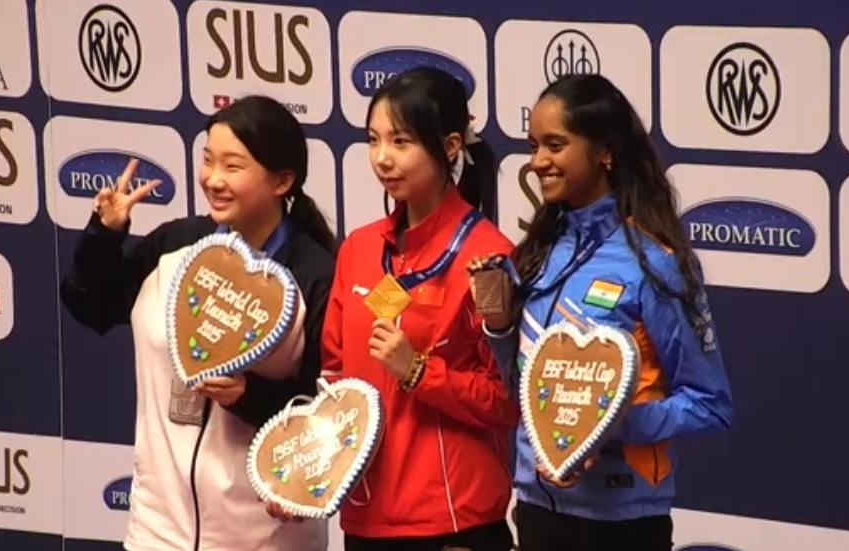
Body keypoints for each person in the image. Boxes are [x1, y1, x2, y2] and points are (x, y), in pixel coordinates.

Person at [59, 95, 337, 551]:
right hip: (156, 533)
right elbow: (91, 306)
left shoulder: (317, 275)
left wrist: (250, 396)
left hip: (264, 539)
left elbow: (328, 415)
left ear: (282, 181)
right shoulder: (175, 244)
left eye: (233, 166)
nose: (213, 179)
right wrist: (103, 235)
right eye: (208, 160)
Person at [470, 74, 733, 551]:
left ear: (605, 152)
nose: (538, 161)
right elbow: (524, 393)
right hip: (536, 505)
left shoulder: (654, 262)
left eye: (555, 145)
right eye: (533, 145)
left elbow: (709, 402)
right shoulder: (536, 253)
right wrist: (500, 325)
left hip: (621, 519)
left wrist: (603, 427)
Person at [269, 66, 518, 550]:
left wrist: (419, 371)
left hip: (452, 521)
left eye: (401, 141)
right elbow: (335, 382)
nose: (383, 158)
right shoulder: (359, 250)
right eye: (373, 140)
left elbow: (506, 401)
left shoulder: (488, 258)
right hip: (366, 517)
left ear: (450, 146)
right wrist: (304, 478)